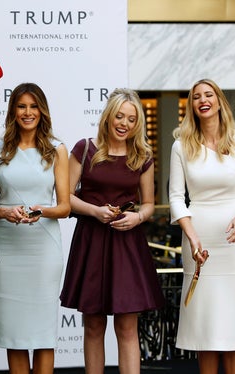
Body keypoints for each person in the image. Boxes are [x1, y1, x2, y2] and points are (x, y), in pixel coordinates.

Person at [59, 88, 164, 374]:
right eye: (119, 116)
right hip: (91, 241)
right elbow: (65, 197)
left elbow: (149, 205)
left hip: (127, 243)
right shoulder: (84, 148)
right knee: (93, 323)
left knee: (127, 324)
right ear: (108, 116)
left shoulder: (142, 155)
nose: (124, 124)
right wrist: (95, 211)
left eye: (131, 119)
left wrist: (137, 218)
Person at [169, 78, 235, 374]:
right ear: (192, 106)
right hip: (198, 240)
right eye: (196, 97)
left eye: (209, 95)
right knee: (205, 322)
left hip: (234, 241)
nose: (203, 100)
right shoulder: (181, 146)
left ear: (219, 101)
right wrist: (192, 236)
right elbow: (175, 197)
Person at [0, 83, 69, 374]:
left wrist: (38, 210)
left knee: (44, 334)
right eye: (21, 106)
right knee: (14, 334)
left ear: (42, 110)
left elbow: (65, 207)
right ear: (13, 111)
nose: (27, 113)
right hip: (8, 248)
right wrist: (6, 212)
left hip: (43, 250)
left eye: (33, 106)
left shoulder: (57, 150)